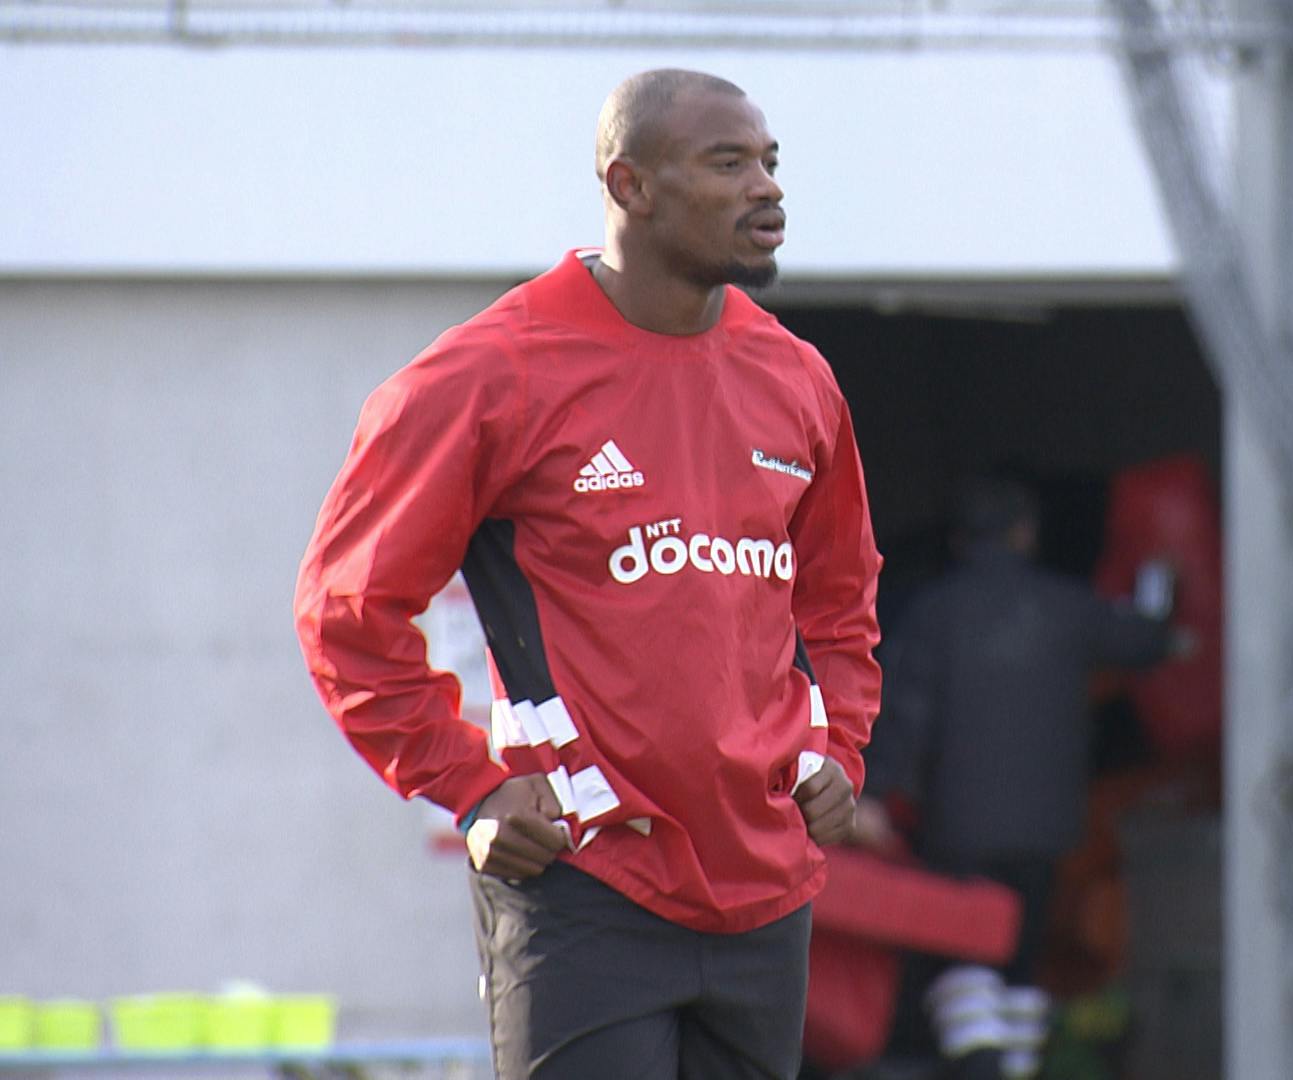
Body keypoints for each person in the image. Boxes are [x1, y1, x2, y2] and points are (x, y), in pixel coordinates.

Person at [293, 69, 883, 1079]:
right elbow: (347, 608)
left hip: (767, 890)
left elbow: (841, 601)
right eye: (728, 163)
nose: (767, 188)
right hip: (583, 878)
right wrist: (471, 788)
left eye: (770, 162)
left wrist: (840, 751)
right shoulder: (492, 373)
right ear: (629, 185)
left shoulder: (799, 379)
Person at [857, 475, 1178, 1079]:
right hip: (1047, 830)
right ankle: (1012, 1067)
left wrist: (871, 793)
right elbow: (1146, 640)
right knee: (1022, 958)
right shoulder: (1070, 608)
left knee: (963, 952)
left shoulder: (933, 614)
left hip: (957, 827)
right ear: (1026, 534)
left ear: (959, 540)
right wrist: (1161, 583)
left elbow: (905, 715)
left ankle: (982, 1064)